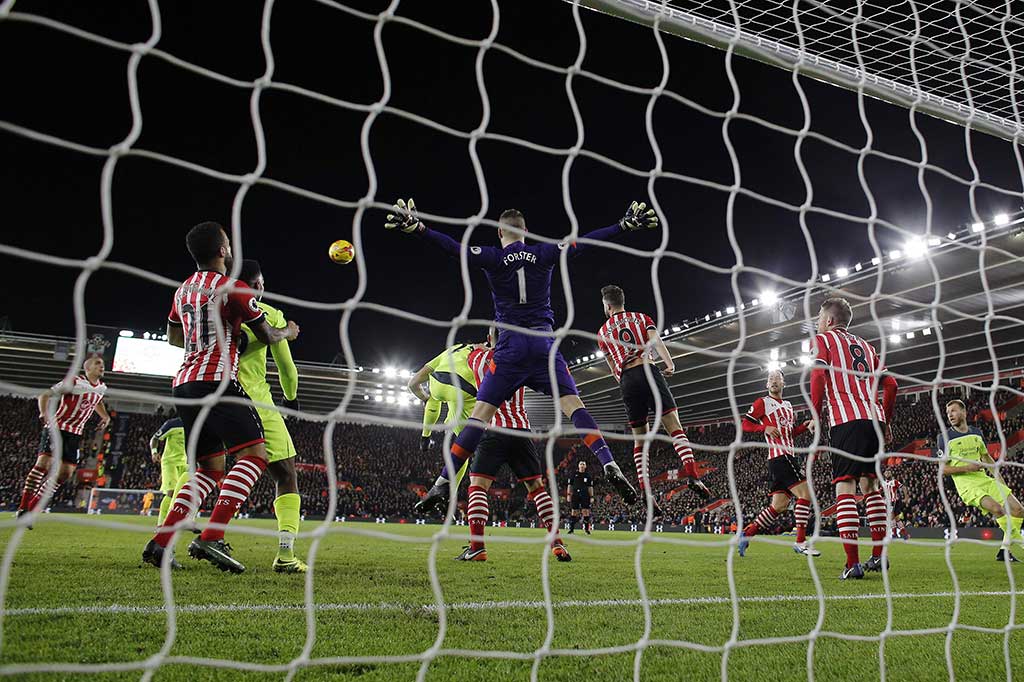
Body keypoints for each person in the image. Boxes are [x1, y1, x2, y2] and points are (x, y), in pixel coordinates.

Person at [386, 199, 658, 506]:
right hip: (543, 345)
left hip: (510, 350)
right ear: (525, 231)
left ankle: (442, 483)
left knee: (478, 418)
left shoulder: (493, 256)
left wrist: (419, 228)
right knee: (574, 407)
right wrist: (622, 226)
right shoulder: (545, 251)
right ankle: (608, 461)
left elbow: (454, 249)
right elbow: (584, 243)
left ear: (500, 233)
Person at [142, 221, 299, 574]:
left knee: (208, 469)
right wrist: (289, 330)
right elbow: (269, 335)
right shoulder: (234, 288)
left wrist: (205, 341)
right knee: (256, 456)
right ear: (223, 250)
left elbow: (173, 339)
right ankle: (211, 536)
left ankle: (160, 543)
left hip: (183, 384)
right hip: (217, 383)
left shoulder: (183, 291)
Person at [596, 284, 711, 512]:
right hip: (648, 369)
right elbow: (656, 342)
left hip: (627, 379)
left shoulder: (602, 332)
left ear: (608, 306)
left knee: (641, 440)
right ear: (622, 302)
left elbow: (612, 366)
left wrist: (624, 381)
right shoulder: (640, 318)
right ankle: (692, 476)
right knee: (674, 427)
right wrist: (669, 363)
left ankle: (646, 493)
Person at [455, 340, 570, 562]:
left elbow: (467, 356)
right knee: (537, 489)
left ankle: (477, 547)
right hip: (521, 431)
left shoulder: (477, 359)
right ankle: (557, 543)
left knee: (478, 487)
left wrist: (480, 347)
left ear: (490, 340)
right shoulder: (519, 358)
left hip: (493, 428)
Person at [809, 297, 897, 580]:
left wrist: (816, 416)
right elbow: (892, 384)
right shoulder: (867, 346)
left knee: (844, 488)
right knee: (871, 486)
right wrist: (887, 420)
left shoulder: (823, 340)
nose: (818, 323)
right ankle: (878, 557)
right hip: (874, 420)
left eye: (819, 318)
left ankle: (852, 564)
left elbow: (819, 375)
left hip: (846, 420)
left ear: (830, 321)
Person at [237, 259, 307, 573]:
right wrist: (291, 400)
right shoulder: (270, 316)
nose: (263, 286)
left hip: (206, 393)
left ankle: (164, 539)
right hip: (254, 400)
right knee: (285, 474)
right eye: (260, 281)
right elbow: (287, 371)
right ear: (254, 285)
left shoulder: (213, 308)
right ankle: (285, 553)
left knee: (206, 471)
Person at [17, 356, 110, 522]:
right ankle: (24, 508)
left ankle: (31, 508)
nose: (102, 366)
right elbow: (45, 394)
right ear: (87, 368)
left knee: (65, 474)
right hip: (57, 428)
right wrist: (44, 412)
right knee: (43, 465)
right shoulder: (74, 381)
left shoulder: (102, 387)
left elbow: (97, 400)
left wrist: (105, 416)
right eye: (98, 364)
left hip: (76, 433)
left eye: (103, 365)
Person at [738, 369, 819, 557]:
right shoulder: (762, 403)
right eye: (771, 379)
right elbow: (746, 424)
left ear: (784, 384)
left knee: (779, 506)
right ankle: (800, 542)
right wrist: (764, 427)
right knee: (806, 495)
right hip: (780, 457)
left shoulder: (789, 406)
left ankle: (747, 534)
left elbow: (789, 433)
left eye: (777, 379)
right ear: (767, 385)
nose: (774, 381)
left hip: (785, 457)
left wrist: (804, 426)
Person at [407, 340, 487, 513]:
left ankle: (425, 436)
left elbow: (412, 383)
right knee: (464, 445)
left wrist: (424, 398)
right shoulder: (485, 351)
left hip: (437, 383)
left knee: (433, 399)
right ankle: (449, 492)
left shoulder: (451, 350)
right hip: (465, 390)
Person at [938, 399, 1023, 562]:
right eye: (948, 413)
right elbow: (943, 470)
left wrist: (1000, 480)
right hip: (966, 484)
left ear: (964, 412)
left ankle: (1004, 551)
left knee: (1018, 510)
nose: (950, 415)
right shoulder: (944, 437)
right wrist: (967, 468)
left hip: (984, 479)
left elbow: (986, 457)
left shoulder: (976, 432)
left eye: (954, 411)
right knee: (997, 509)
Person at [150, 416, 190, 527]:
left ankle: (184, 521)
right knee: (171, 492)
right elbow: (155, 438)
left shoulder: (195, 424)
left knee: (186, 493)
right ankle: (161, 524)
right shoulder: (173, 424)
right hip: (170, 462)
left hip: (186, 463)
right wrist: (154, 452)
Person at [566, 460, 594, 535]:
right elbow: (569, 485)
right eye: (581, 464)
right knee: (574, 511)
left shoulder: (588, 476)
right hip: (575, 495)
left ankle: (586, 530)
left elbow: (590, 487)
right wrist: (568, 495)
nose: (582, 465)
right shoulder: (574, 474)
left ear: (585, 466)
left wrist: (591, 496)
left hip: (585, 495)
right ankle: (571, 530)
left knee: (586, 512)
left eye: (583, 464)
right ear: (578, 466)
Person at [882, 468, 910, 541]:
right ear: (884, 474)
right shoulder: (884, 483)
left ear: (891, 474)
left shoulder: (894, 481)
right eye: (886, 473)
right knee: (896, 518)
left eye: (889, 473)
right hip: (889, 502)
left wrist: (906, 497)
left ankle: (895, 534)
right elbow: (881, 491)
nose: (887, 474)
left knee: (891, 517)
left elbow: (903, 487)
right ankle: (905, 534)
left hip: (893, 501)